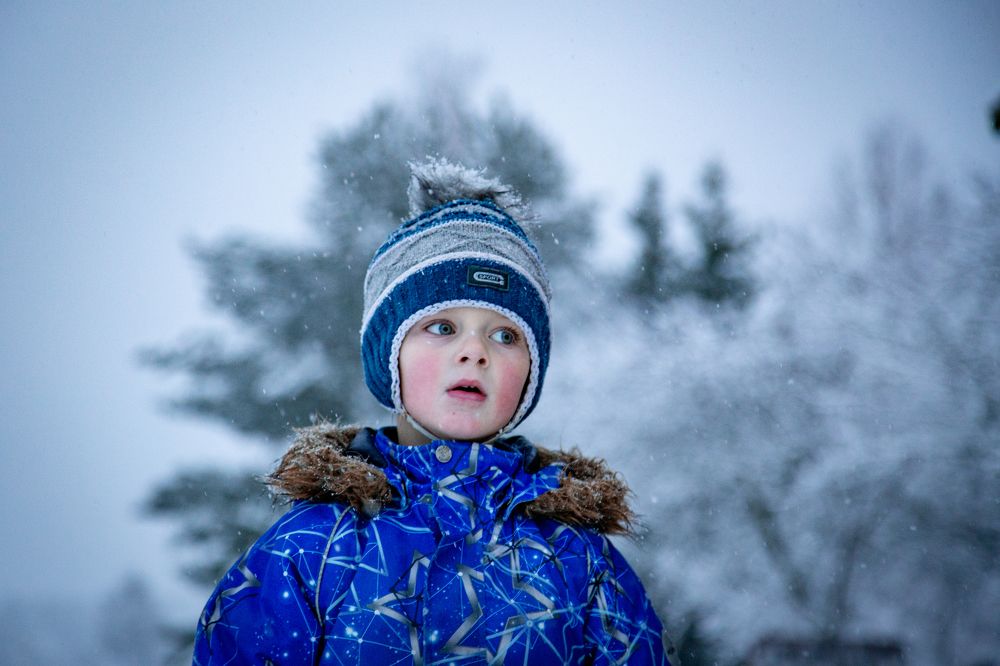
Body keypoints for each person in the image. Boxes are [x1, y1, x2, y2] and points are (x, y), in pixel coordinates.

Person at [193, 159, 676, 665]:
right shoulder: (312, 546)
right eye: (442, 328)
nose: (475, 352)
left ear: (531, 372)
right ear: (389, 354)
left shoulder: (578, 557)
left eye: (505, 335)